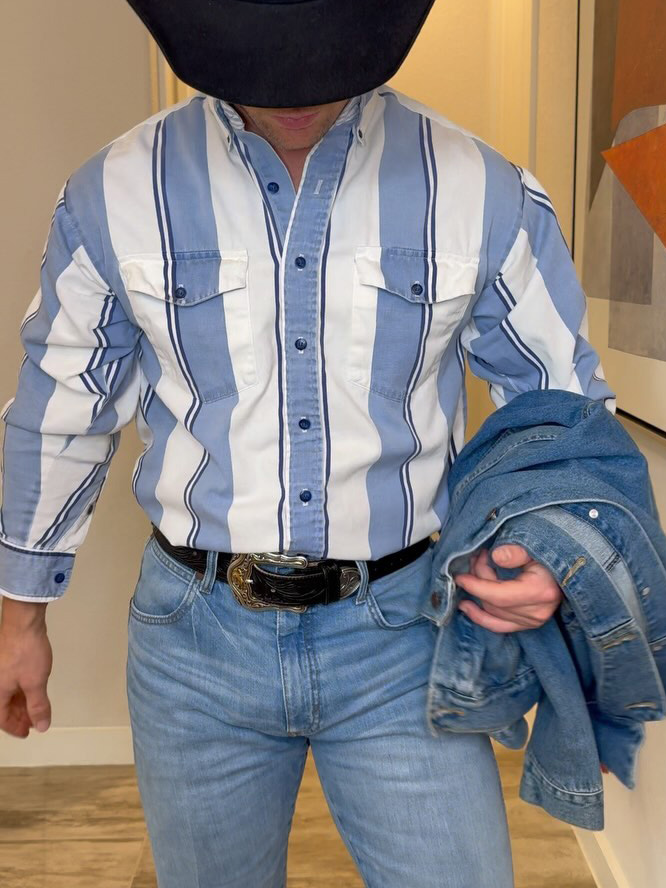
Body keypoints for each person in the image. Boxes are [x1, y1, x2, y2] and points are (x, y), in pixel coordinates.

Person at [0, 1, 615, 885]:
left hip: (404, 635)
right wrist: (20, 612)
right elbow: (62, 406)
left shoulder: (485, 192)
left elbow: (562, 410)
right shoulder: (112, 194)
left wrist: (563, 573)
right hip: (194, 642)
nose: (293, 93)